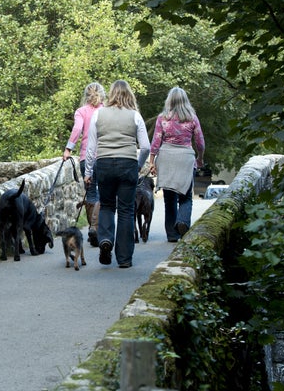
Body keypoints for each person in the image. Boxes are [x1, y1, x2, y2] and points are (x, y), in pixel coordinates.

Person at [84, 80, 150, 268]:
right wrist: (137, 165)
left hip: (104, 164)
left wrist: (88, 172)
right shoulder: (135, 116)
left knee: (106, 205)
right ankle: (124, 258)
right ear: (129, 94)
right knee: (126, 211)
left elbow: (91, 148)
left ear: (111, 94)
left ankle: (105, 239)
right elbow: (145, 147)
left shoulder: (98, 114)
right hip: (128, 164)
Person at [148, 86, 205, 242]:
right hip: (185, 158)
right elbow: (200, 142)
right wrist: (200, 158)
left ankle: (172, 234)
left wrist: (152, 161)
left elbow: (156, 141)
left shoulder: (162, 118)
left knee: (169, 199)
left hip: (166, 158)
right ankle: (182, 222)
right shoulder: (192, 118)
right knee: (186, 197)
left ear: (169, 101)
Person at [63, 82, 105, 247]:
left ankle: (92, 229)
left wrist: (68, 149)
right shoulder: (107, 111)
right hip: (104, 156)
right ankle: (98, 229)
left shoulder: (81, 111)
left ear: (85, 95)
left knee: (91, 194)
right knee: (103, 195)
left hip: (85, 157)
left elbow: (77, 129)